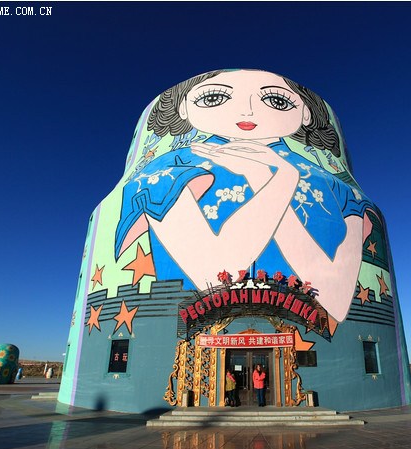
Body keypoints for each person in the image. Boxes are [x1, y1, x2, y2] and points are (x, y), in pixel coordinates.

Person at [115, 69, 374, 323]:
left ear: (306, 113)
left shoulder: (340, 190)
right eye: (214, 98)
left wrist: (272, 175)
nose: (247, 111)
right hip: (197, 328)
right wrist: (281, 181)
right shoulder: (165, 174)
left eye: (276, 100)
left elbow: (337, 302)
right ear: (183, 107)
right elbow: (213, 274)